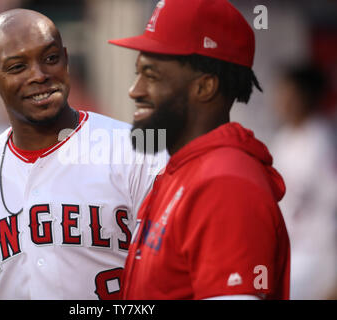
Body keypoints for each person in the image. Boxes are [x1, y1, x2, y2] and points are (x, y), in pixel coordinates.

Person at [0, 9, 166, 299]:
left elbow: (173, 279)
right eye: (17, 67)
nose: (39, 75)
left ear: (66, 60)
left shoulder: (136, 151)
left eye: (50, 58)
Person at [109, 0, 290, 300]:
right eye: (138, 73)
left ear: (205, 87)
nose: (135, 90)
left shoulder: (226, 183)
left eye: (151, 75)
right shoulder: (186, 170)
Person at [270, 64, 337, 299]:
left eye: (288, 93)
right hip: (288, 251)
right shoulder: (284, 139)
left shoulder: (323, 142)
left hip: (317, 256)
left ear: (306, 96)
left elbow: (332, 208)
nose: (281, 100)